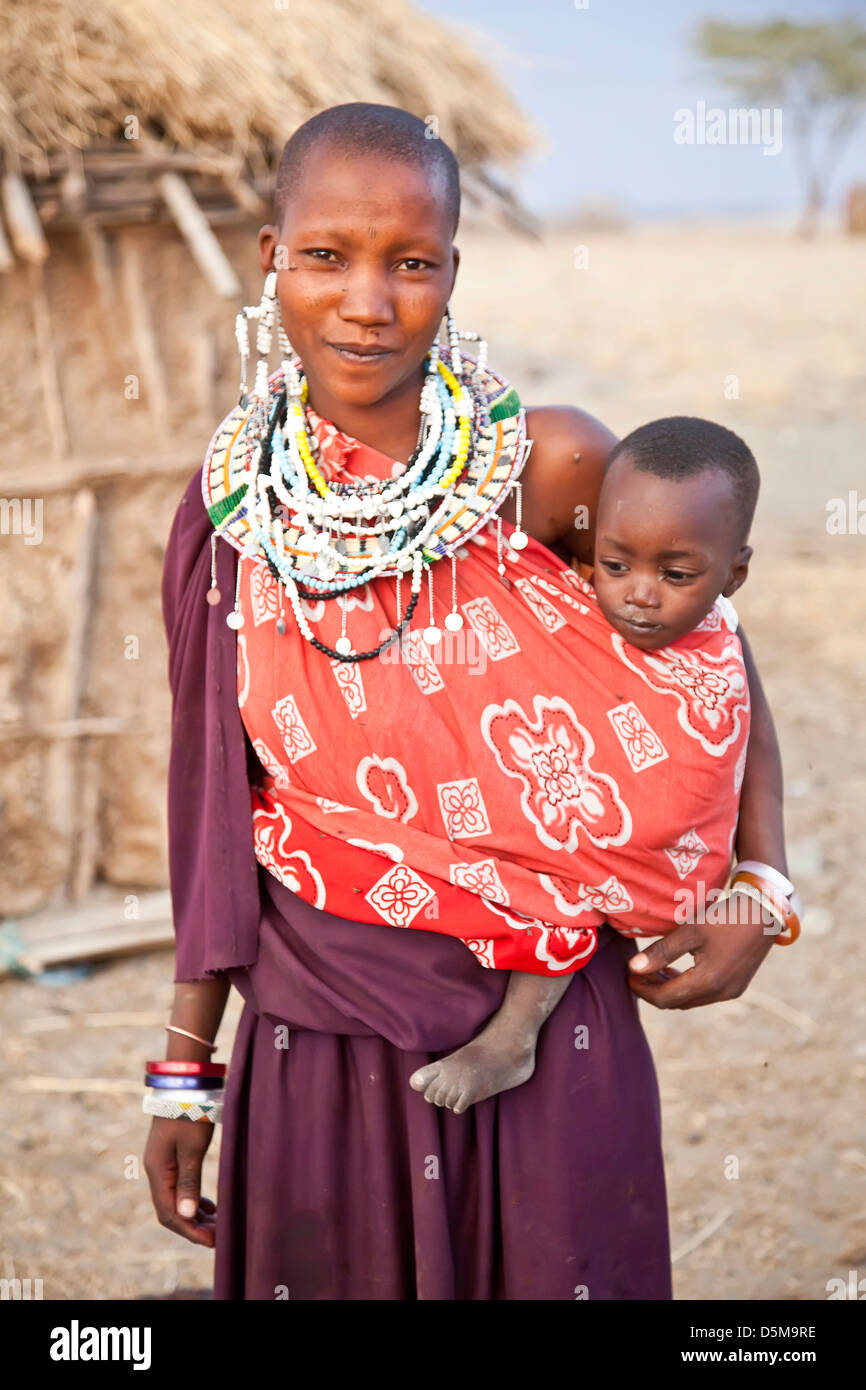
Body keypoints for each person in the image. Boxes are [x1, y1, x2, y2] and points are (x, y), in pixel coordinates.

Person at [145, 104, 791, 1301]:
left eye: (411, 262)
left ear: (453, 270)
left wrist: (761, 878)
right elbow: (213, 811)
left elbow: (711, 643)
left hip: (543, 1023)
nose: (367, 303)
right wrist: (186, 1071)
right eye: (326, 254)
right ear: (268, 258)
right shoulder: (230, 517)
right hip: (314, 1023)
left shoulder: (550, 466)